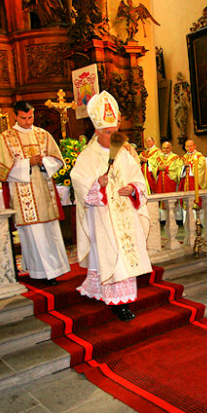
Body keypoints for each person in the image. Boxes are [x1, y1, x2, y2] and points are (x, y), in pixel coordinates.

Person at [71, 91, 151, 322]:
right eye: (108, 133)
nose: (113, 137)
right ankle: (116, 303)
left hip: (125, 215)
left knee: (125, 258)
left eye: (115, 132)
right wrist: (97, 184)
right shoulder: (87, 156)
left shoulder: (124, 153)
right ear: (97, 132)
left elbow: (138, 178)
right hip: (103, 218)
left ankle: (121, 300)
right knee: (110, 257)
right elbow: (78, 181)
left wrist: (133, 189)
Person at [0, 101, 70, 284]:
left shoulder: (43, 135)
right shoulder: (6, 138)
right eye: (23, 118)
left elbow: (57, 159)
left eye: (30, 117)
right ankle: (40, 272)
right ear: (15, 116)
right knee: (34, 234)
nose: (27, 121)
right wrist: (27, 163)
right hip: (23, 196)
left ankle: (56, 269)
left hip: (44, 192)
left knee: (50, 232)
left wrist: (43, 163)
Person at [149, 140, 183, 225]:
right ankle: (163, 219)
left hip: (171, 180)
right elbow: (153, 167)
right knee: (161, 199)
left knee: (173, 199)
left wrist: (167, 168)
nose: (165, 149)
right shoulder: (157, 157)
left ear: (170, 148)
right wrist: (158, 168)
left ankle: (177, 218)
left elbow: (178, 168)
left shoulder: (175, 157)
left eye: (167, 148)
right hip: (160, 181)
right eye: (164, 148)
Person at [180, 139, 207, 208]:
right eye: (187, 146)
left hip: (195, 183)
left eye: (191, 146)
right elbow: (179, 170)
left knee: (196, 207)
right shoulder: (184, 157)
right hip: (186, 184)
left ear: (195, 146)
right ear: (185, 147)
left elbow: (201, 168)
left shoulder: (200, 156)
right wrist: (184, 166)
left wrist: (189, 165)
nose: (189, 148)